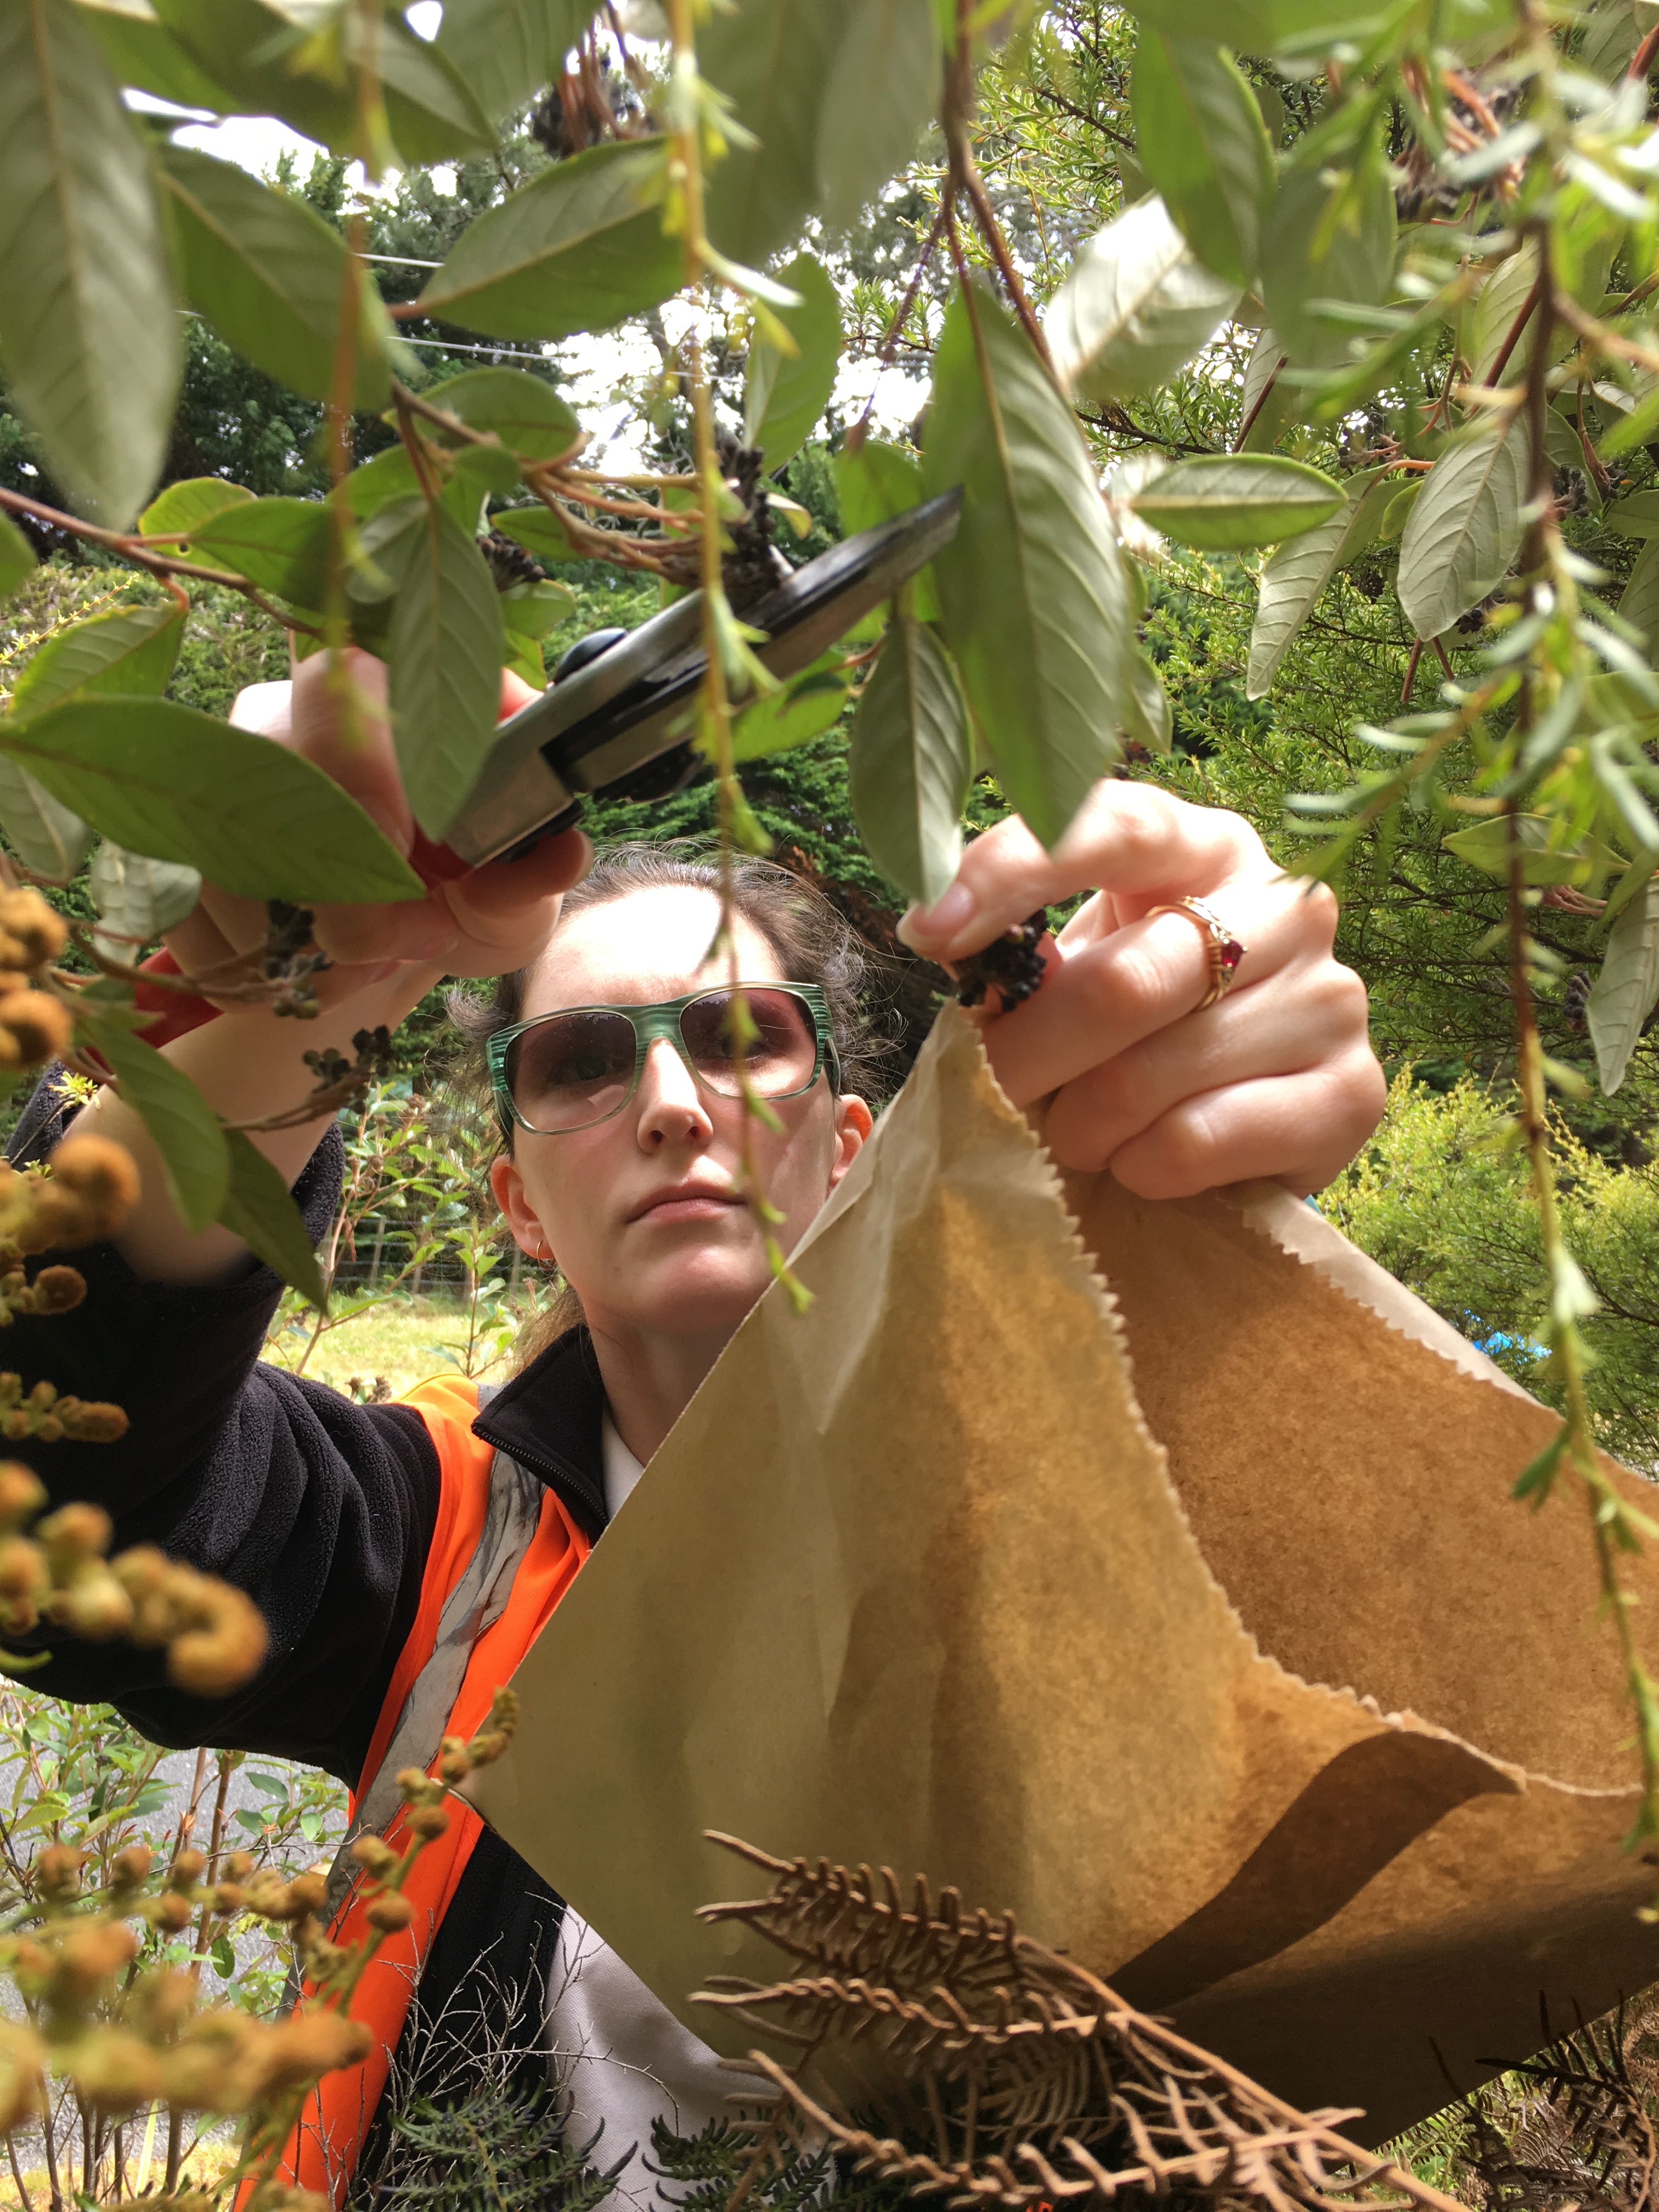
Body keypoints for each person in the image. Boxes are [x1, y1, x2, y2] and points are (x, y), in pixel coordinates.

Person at [5, 647, 1385, 2205]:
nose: (669, 1097)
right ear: (521, 1202)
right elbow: (61, 1516)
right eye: (581, 1060)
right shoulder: (438, 1535)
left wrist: (1208, 1230)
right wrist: (296, 1003)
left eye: (741, 1036)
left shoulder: (1054, 1499)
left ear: (850, 1143)